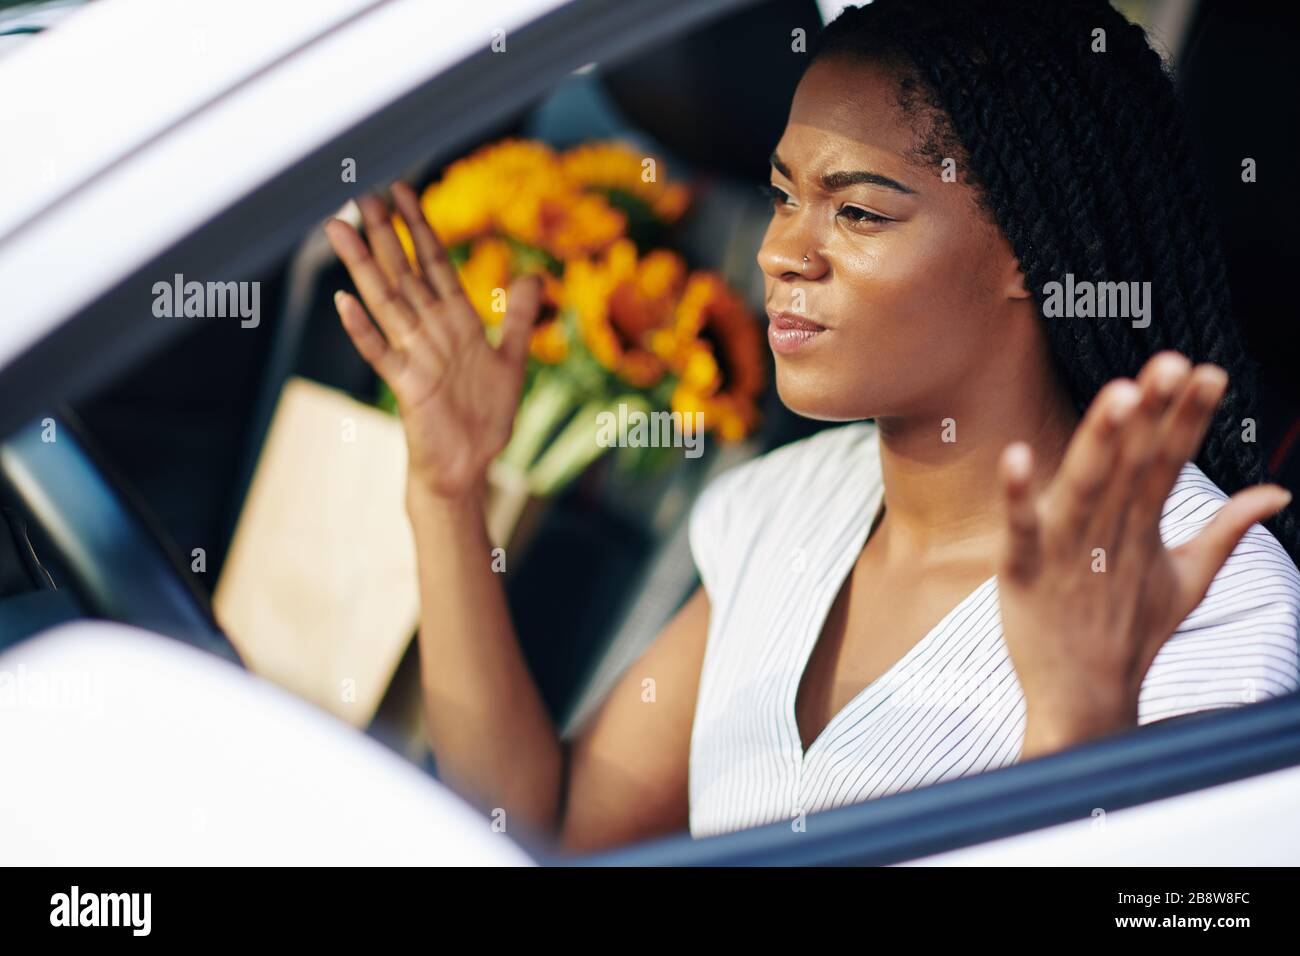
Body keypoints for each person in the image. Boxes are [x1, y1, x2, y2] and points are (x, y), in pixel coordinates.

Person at [322, 0, 1300, 851]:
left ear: (1037, 250)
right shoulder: (784, 507)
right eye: (787, 196)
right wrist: (449, 489)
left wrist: (1075, 727)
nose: (786, 249)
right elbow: (548, 832)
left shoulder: (1194, 582)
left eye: (860, 213)